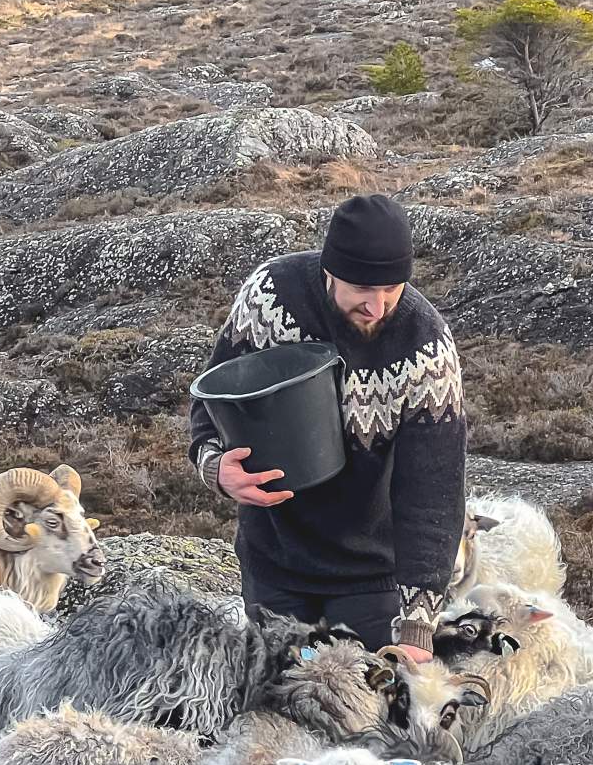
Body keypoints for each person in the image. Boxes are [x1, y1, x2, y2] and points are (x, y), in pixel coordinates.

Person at [188, 194, 465, 663]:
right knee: (277, 705)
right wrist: (215, 467)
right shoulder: (271, 298)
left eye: (391, 289)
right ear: (330, 270)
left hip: (371, 577)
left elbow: (434, 491)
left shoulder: (426, 348)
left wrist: (417, 625)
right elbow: (214, 398)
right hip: (273, 564)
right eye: (362, 288)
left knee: (367, 718)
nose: (376, 307)